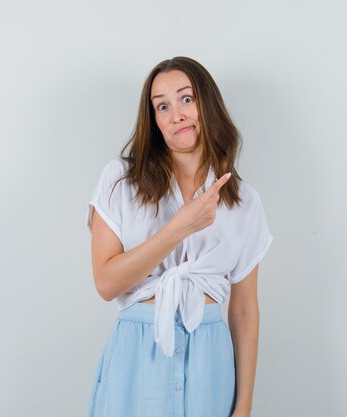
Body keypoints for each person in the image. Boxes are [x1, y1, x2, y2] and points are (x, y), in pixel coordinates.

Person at [85, 56, 274, 417]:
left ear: (208, 104)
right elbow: (107, 284)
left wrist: (245, 405)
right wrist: (180, 227)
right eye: (162, 106)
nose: (177, 115)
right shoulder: (120, 182)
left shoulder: (246, 201)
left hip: (211, 360)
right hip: (137, 355)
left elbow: (245, 309)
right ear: (154, 121)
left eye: (187, 99)